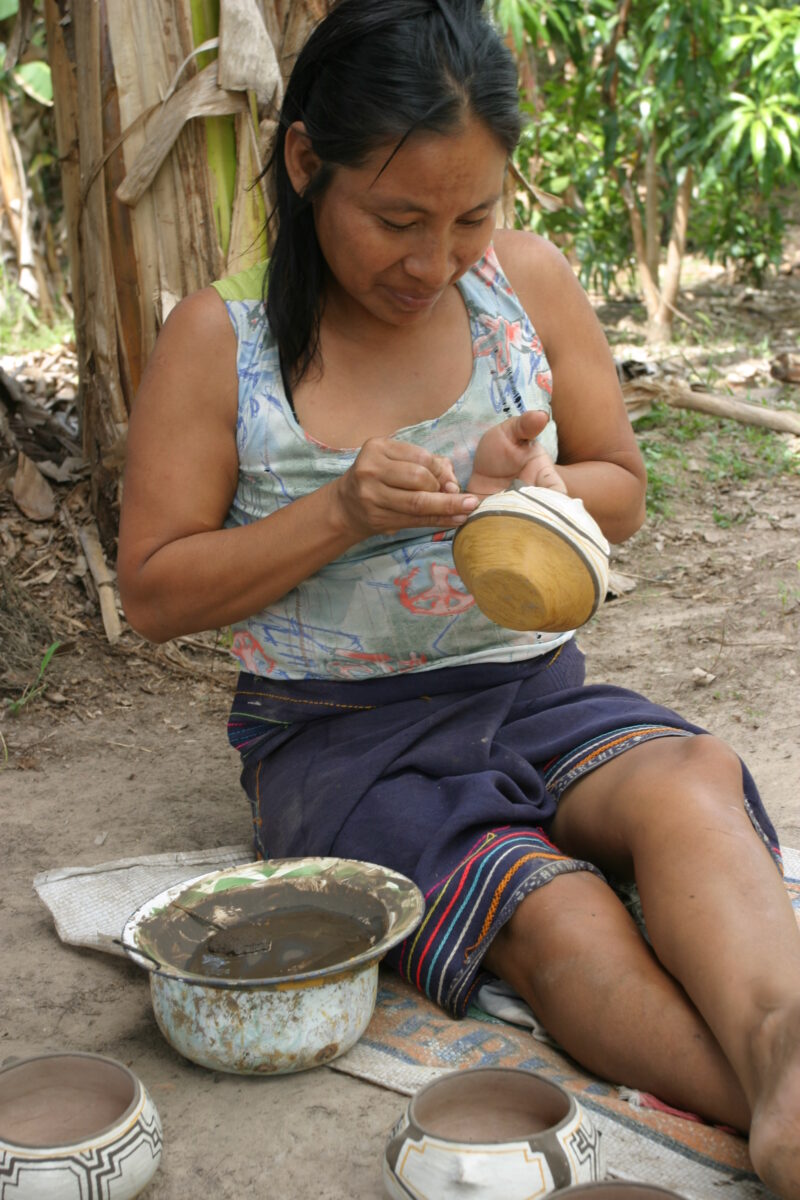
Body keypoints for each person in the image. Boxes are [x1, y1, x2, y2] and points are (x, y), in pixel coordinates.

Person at [116, 1, 800, 1194]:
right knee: (549, 908)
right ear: (304, 161)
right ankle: (767, 1107)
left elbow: (619, 488)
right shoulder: (215, 340)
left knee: (687, 779)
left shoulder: (520, 288)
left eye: (470, 216)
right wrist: (338, 513)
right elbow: (155, 593)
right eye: (396, 220)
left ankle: (786, 1054)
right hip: (339, 742)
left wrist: (529, 490)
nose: (433, 261)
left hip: (531, 690)